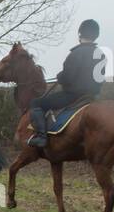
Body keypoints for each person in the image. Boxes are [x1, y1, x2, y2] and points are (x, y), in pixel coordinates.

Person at [27, 19, 107, 148]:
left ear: (80, 34)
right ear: (96, 35)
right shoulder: (101, 55)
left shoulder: (75, 53)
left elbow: (67, 78)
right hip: (93, 96)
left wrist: (60, 76)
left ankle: (41, 137)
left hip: (73, 95)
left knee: (36, 103)